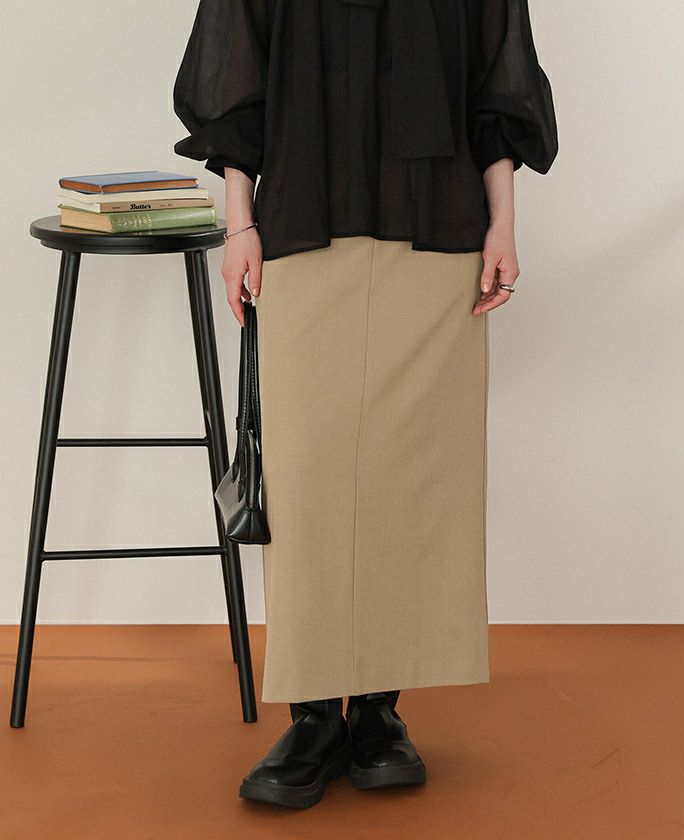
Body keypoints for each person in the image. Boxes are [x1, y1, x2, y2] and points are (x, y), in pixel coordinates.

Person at [173, 0, 558, 809]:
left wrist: (504, 223)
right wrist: (239, 226)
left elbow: (497, 88)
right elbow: (235, 84)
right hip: (303, 224)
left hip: (437, 230)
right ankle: (313, 715)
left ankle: (380, 710)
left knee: (410, 478)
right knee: (307, 481)